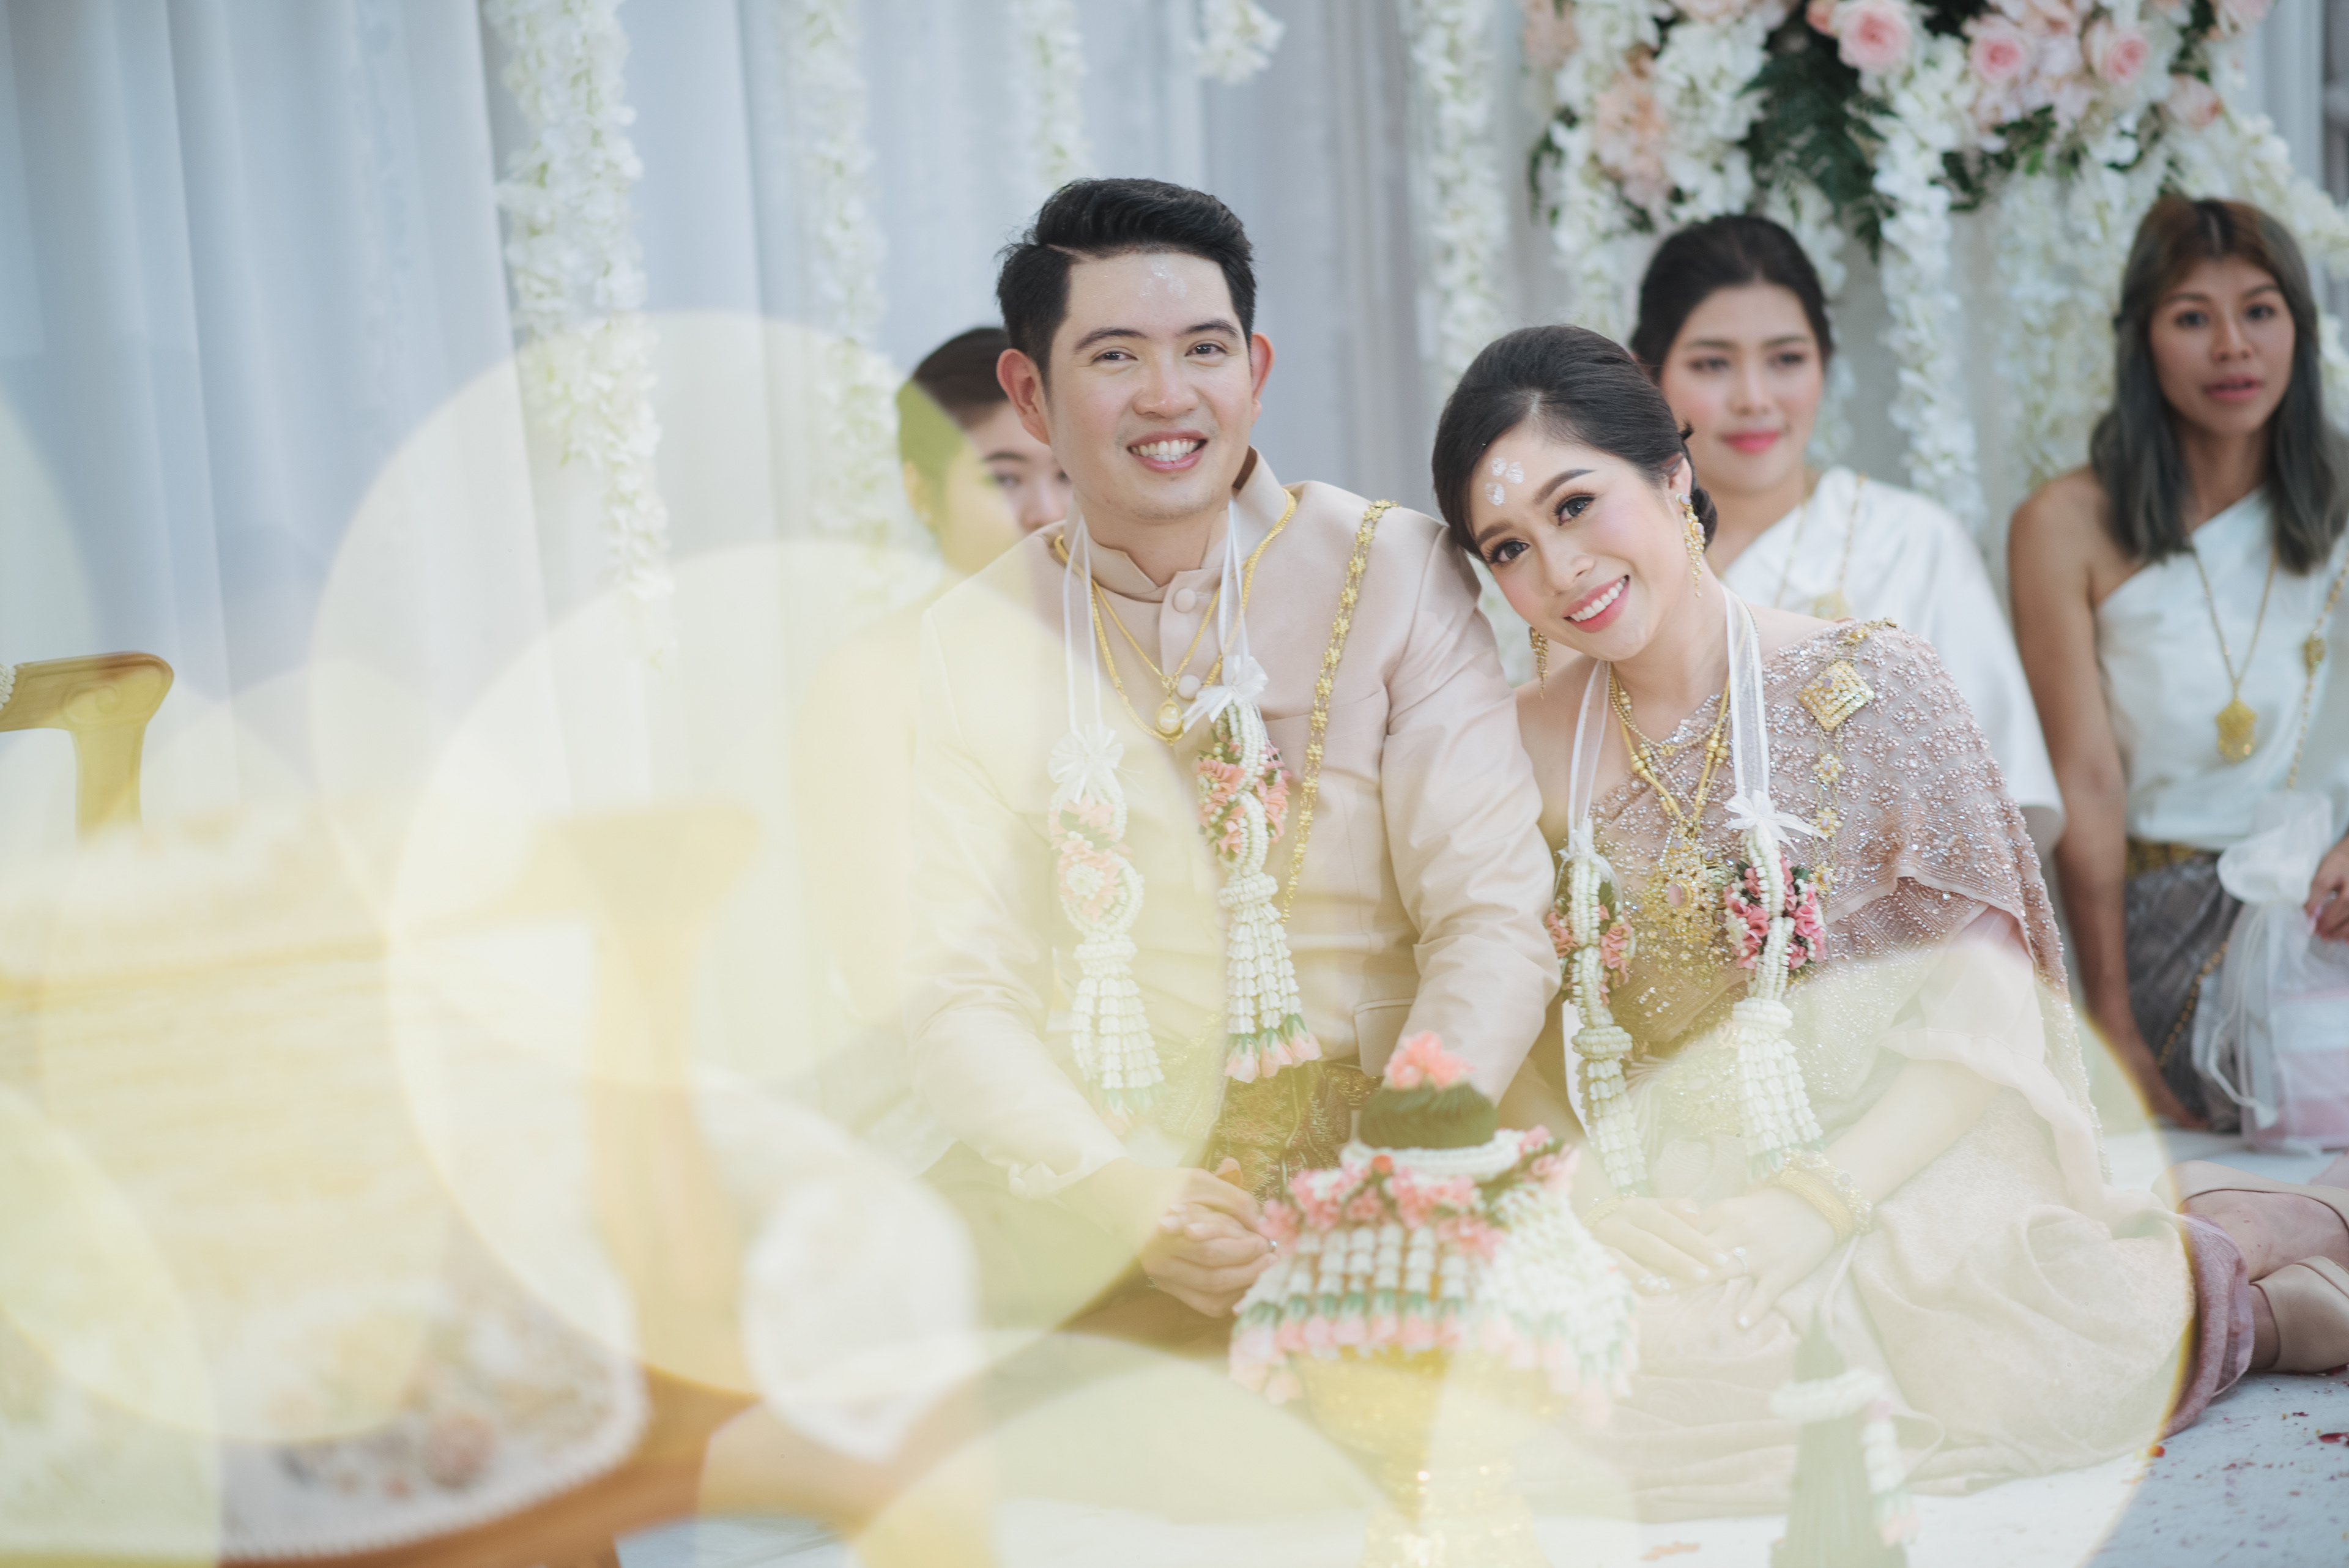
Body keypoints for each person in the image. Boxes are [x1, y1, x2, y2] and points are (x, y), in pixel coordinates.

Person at [1437, 323, 2349, 1515]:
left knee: (1973, 1348)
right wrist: (1595, 1199)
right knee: (1602, 1382)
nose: (1559, 568)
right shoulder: (1516, 745)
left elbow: (1981, 1015)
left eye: (1575, 504)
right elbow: (1499, 1004)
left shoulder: (1871, 687)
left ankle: (2263, 1292)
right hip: (1673, 1172)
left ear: (1671, 472)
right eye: (1510, 546)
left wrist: (1811, 1206)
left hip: (1908, 1141)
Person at [902, 179, 1557, 1337]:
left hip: (1398, 1169)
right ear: (1032, 394)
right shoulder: (971, 639)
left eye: (1203, 349)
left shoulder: (1392, 571)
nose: (1169, 396)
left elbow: (1491, 915)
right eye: (1115, 356)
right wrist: (1118, 1193)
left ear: (1254, 371)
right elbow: (959, 989)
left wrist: (1396, 1174)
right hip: (1110, 1190)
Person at [2011, 197, 2349, 1132]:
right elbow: (2086, 782)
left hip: (2325, 907)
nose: (2233, 346)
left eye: (2260, 310)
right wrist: (2110, 1024)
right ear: (2143, 341)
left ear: (2300, 327)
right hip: (2160, 927)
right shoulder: (2064, 525)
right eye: (2193, 317)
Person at [1631, 214, 2064, 851]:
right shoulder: (1619, 558)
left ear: (1825, 364)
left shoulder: (1913, 543)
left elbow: (2002, 807)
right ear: (1648, 376)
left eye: (1786, 359)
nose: (1754, 398)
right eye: (1712, 363)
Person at [794, 328, 1069, 1171]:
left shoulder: (1126, 655)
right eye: (1005, 479)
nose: (1046, 511)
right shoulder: (870, 679)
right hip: (949, 1103)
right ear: (921, 490)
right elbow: (884, 972)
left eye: (1066, 474)